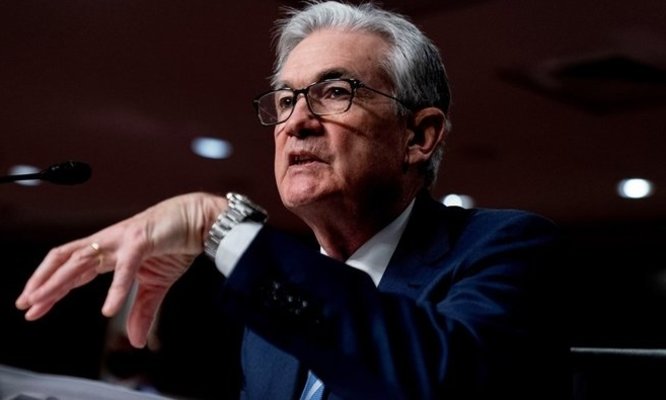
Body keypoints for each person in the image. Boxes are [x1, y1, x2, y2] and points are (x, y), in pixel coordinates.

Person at [15, 1, 570, 399]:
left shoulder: (509, 248)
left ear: (419, 137)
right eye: (284, 100)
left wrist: (218, 224)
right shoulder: (270, 317)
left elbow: (442, 381)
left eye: (335, 93)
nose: (296, 122)